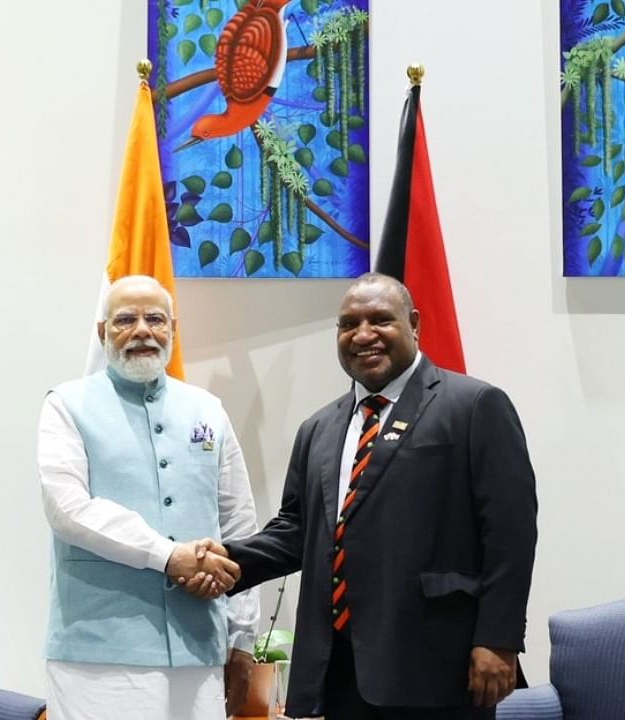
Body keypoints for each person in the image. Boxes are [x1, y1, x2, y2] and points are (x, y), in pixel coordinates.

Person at [199, 273, 538, 719]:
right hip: (339, 668)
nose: (363, 335)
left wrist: (498, 638)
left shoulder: (474, 406)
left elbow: (510, 535)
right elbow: (297, 531)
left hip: (437, 666)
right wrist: (223, 561)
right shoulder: (318, 429)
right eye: (348, 324)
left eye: (380, 320)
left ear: (414, 324)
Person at [37, 274, 260, 720]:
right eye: (125, 320)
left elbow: (238, 525)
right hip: (99, 652)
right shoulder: (66, 405)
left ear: (173, 330)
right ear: (103, 333)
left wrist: (242, 638)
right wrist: (167, 555)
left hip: (199, 644)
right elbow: (68, 509)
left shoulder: (207, 410)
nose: (142, 330)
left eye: (155, 319)